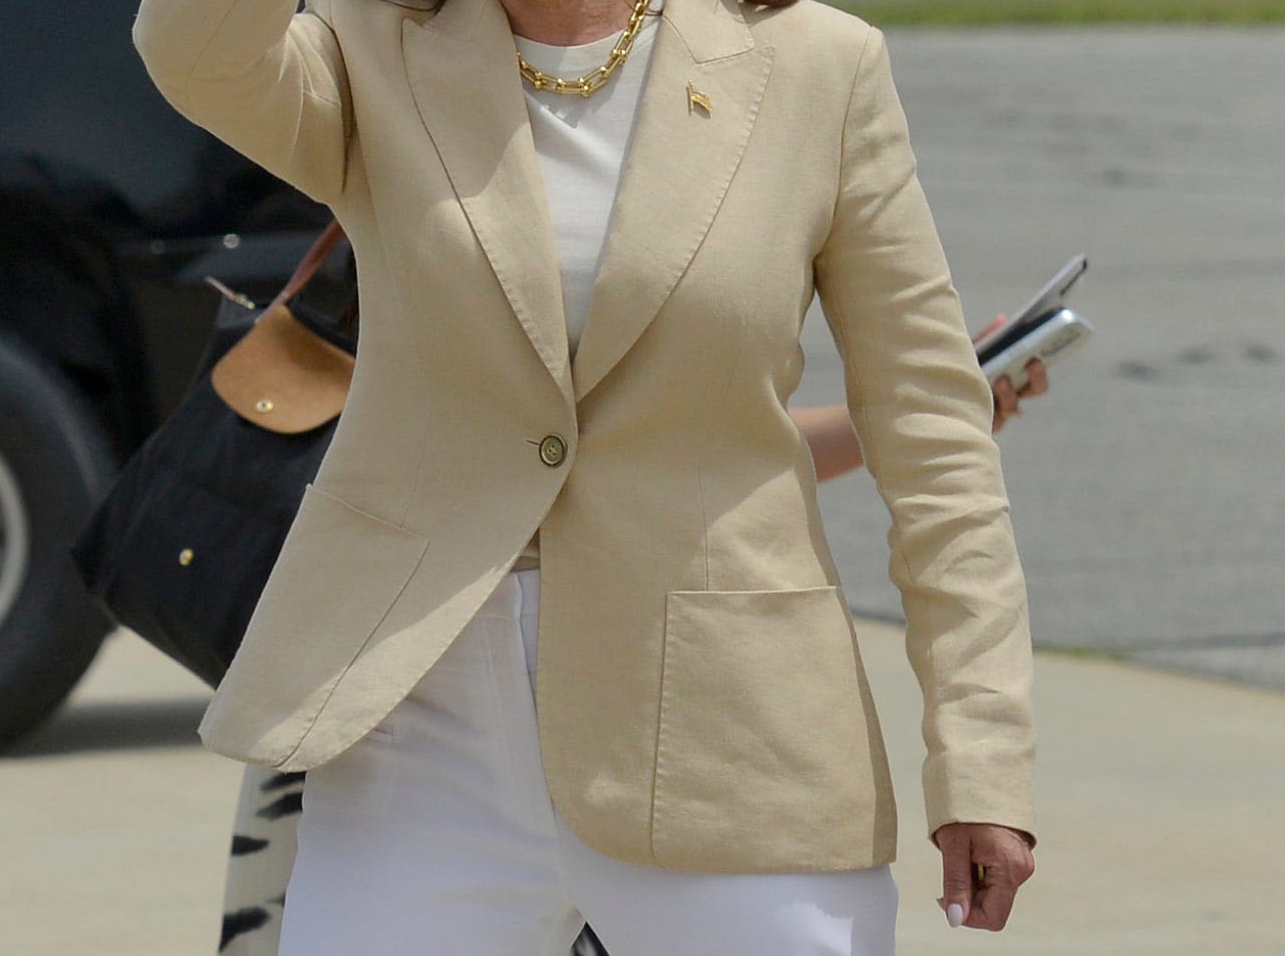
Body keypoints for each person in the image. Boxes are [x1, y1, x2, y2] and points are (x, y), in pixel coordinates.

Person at [136, 0, 1037, 956]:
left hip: (729, 729)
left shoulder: (818, 71)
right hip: (417, 724)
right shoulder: (370, 55)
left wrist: (979, 753)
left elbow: (934, 434)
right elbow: (189, 36)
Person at [217, 367, 1052, 955]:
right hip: (391, 683)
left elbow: (687, 448)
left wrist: (917, 411)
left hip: (667, 717)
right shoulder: (394, 136)